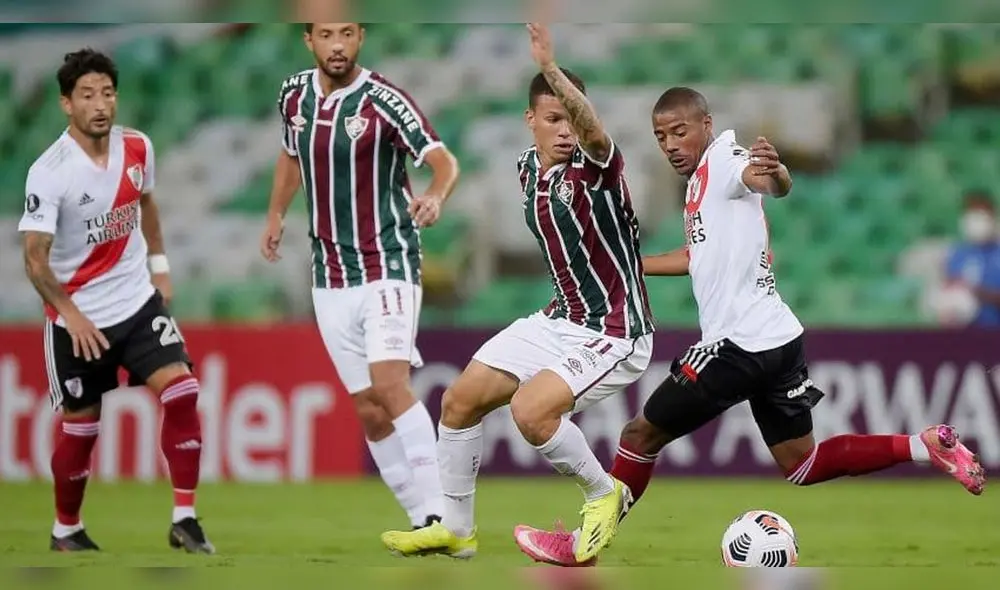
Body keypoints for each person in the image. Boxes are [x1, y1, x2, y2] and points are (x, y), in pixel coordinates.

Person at [514, 87, 987, 567]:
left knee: (639, 437)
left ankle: (582, 545)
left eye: (680, 132)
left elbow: (766, 180)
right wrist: (624, 265)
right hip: (780, 339)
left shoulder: (724, 160)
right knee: (801, 463)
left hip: (735, 345)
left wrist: (776, 173)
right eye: (661, 138)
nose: (671, 144)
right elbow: (697, 257)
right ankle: (924, 446)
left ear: (706, 124)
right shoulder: (701, 179)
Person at [379, 23, 654, 564]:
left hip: (616, 329)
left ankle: (605, 494)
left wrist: (552, 70)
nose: (566, 130)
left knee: (532, 413)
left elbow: (596, 134)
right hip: (560, 319)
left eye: (573, 117)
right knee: (459, 402)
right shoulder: (528, 168)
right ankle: (456, 530)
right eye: (554, 119)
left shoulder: (597, 168)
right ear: (530, 121)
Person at [259, 23, 459, 531]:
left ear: (362, 37)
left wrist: (435, 194)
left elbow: (443, 161)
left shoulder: (384, 100)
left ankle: (444, 517)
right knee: (369, 409)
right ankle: (422, 521)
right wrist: (276, 214)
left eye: (347, 33)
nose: (338, 45)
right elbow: (289, 156)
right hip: (329, 274)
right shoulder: (292, 95)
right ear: (309, 40)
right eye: (327, 35)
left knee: (390, 386)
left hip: (387, 263)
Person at [19, 49, 213, 554]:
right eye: (87, 95)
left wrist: (161, 268)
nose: (100, 104)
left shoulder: (139, 148)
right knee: (81, 429)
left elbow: (146, 206)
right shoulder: (50, 172)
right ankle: (66, 528)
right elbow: (35, 261)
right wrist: (71, 314)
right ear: (66, 104)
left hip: (137, 301)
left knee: (183, 391)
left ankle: (185, 519)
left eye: (107, 93)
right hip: (77, 319)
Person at [943, 191, 1000, 327]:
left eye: (980, 217)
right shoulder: (958, 254)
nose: (975, 223)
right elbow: (951, 285)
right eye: (971, 217)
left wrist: (978, 293)